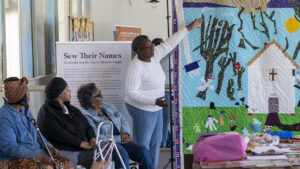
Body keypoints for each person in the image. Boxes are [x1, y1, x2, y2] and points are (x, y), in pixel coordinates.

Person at [124, 18, 203, 168]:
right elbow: (131, 92)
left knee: (156, 142)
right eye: (147, 48)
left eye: (152, 46)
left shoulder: (154, 56)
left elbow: (169, 43)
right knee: (143, 144)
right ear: (138, 51)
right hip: (143, 109)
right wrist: (153, 101)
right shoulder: (135, 67)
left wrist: (188, 28)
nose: (152, 49)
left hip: (156, 106)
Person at [77, 83, 153, 169]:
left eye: (100, 92)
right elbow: (96, 137)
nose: (102, 96)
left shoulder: (107, 105)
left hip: (122, 139)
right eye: (99, 95)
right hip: (107, 144)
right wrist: (119, 139)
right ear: (91, 101)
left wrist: (125, 133)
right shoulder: (86, 116)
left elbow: (122, 119)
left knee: (143, 151)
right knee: (122, 154)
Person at [37, 77, 96, 169]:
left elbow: (87, 125)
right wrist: (80, 143)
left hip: (82, 149)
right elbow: (60, 134)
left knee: (102, 156)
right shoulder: (46, 112)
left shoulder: (72, 109)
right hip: (63, 150)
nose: (70, 91)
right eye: (67, 89)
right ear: (60, 93)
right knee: (67, 163)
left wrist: (92, 137)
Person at [0, 77, 59, 165]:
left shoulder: (25, 110)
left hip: (35, 154)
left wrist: (48, 146)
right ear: (19, 96)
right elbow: (11, 148)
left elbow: (37, 133)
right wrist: (39, 155)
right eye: (26, 92)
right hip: (13, 160)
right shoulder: (4, 117)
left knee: (64, 162)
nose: (29, 94)